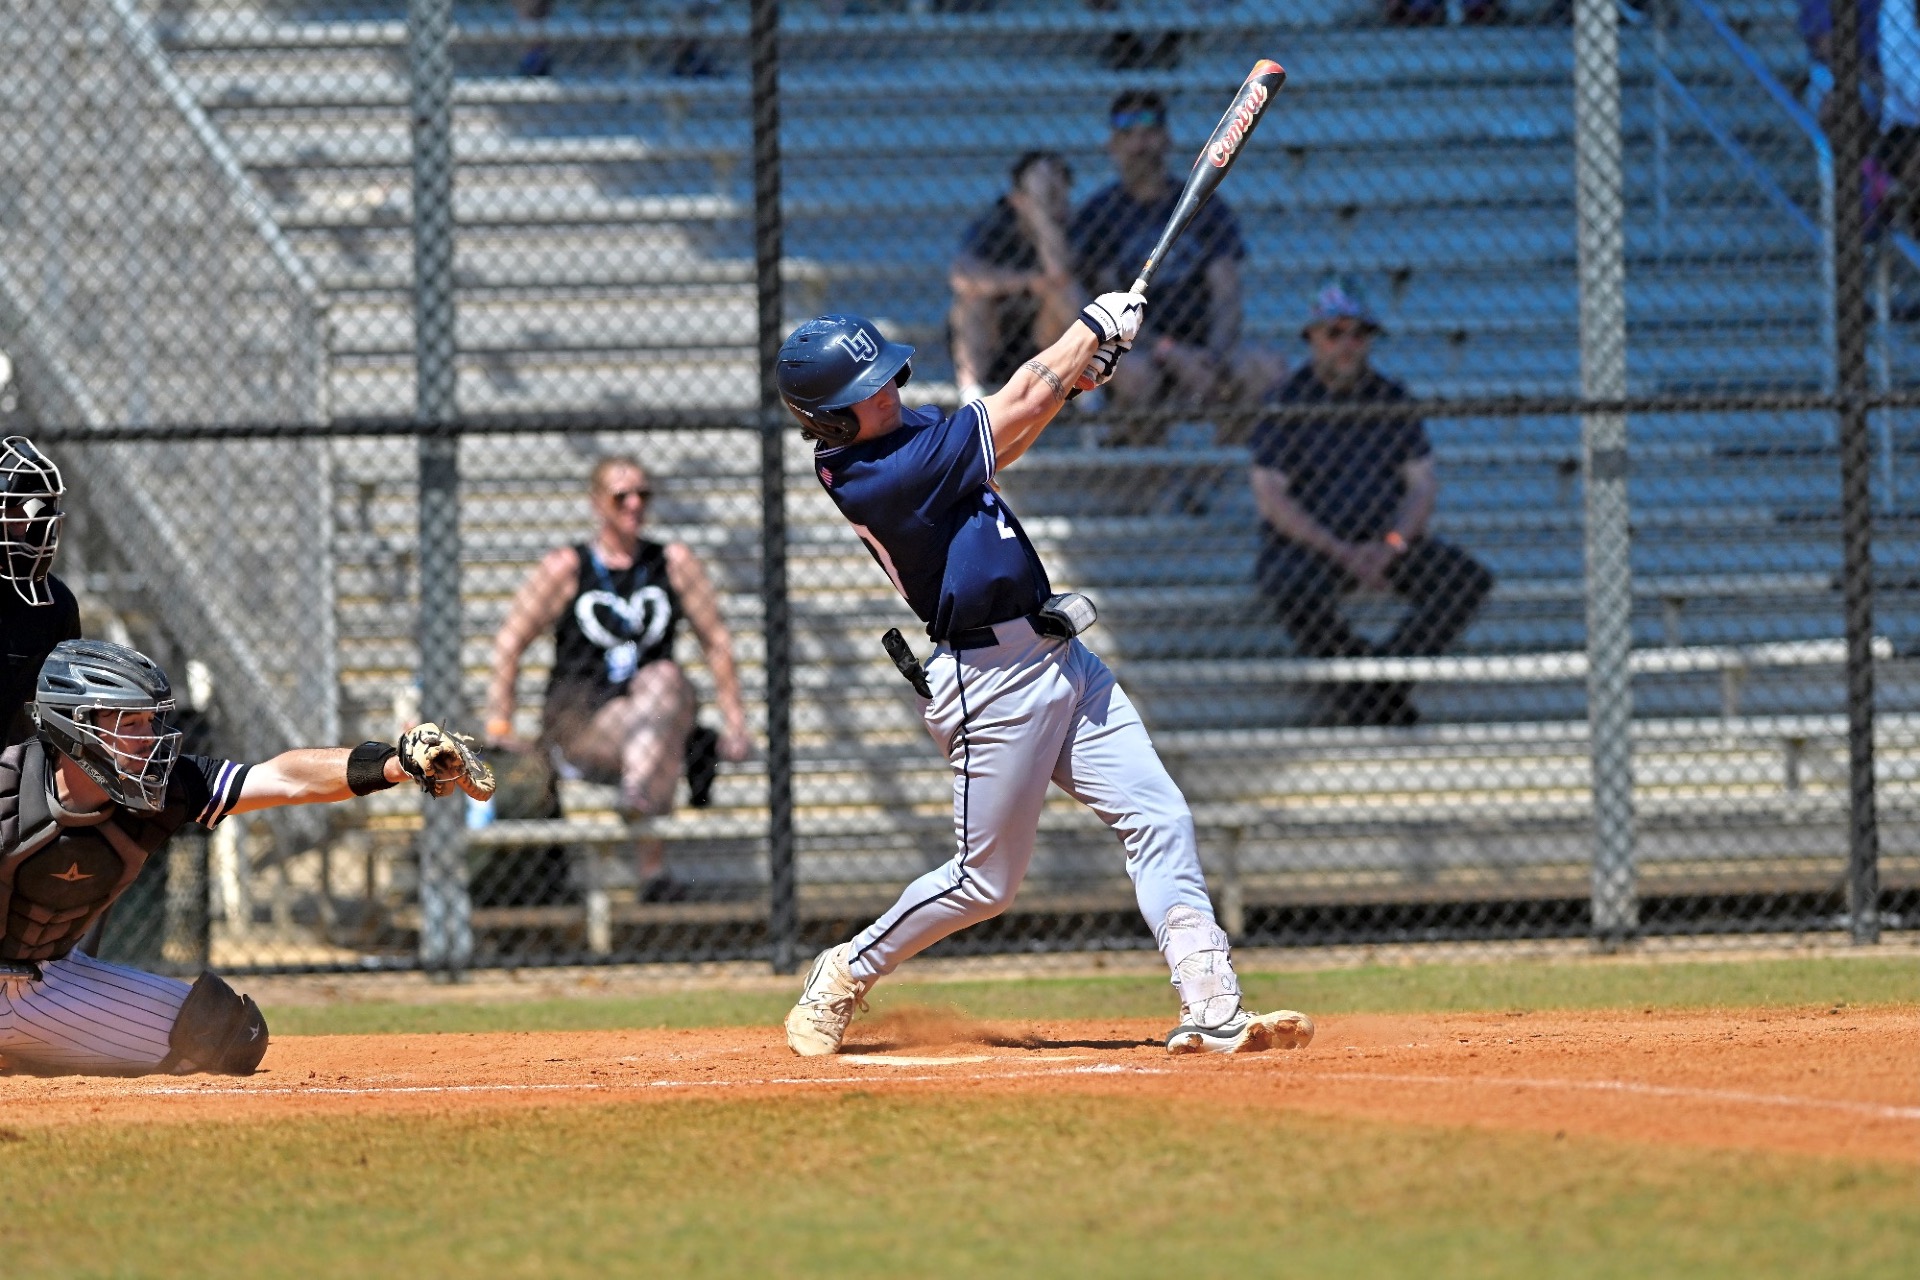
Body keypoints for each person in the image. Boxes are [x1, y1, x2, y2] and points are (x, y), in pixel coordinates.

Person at [773, 297, 1314, 1058]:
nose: (888, 388)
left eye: (885, 375)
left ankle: (1212, 1005)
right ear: (829, 418)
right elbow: (1016, 404)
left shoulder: (907, 433)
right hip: (989, 679)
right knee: (985, 883)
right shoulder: (872, 475)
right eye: (866, 389)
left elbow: (1013, 431)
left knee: (1159, 816)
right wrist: (1087, 330)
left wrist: (1072, 381)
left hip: (1062, 655)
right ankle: (844, 971)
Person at [0, 639, 491, 1075]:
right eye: (130, 723)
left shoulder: (167, 790)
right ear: (74, 727)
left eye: (152, 721)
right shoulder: (8, 790)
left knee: (225, 1036)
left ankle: (24, 1051)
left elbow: (284, 779)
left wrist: (395, 763)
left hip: (49, 980)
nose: (150, 739)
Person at [483, 455, 750, 900]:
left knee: (663, 678)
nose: (634, 504)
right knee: (660, 730)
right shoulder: (567, 567)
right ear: (597, 503)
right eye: (621, 496)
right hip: (586, 718)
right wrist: (499, 723)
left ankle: (639, 803)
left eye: (643, 494)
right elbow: (510, 640)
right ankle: (652, 869)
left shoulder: (674, 563)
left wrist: (736, 724)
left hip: (657, 707)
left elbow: (717, 640)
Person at [1250, 278, 1493, 727]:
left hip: (1387, 541)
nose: (1347, 345)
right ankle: (1376, 695)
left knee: (1466, 580)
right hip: (1315, 546)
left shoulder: (1391, 397)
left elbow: (1422, 484)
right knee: (1286, 585)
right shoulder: (1286, 401)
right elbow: (1271, 495)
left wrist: (1392, 545)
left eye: (1358, 334)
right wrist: (1341, 551)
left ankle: (1377, 689)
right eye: (1335, 333)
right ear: (1312, 338)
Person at [1070, 89, 1281, 443]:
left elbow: (1227, 292)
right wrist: (1169, 353)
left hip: (1203, 343)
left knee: (1266, 369)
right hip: (1135, 346)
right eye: (1129, 134)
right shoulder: (1100, 214)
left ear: (1167, 139)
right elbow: (1110, 304)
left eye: (1150, 132)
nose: (1141, 145)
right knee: (1139, 378)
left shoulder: (1201, 204)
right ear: (1113, 145)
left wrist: (1213, 357)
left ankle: (1220, 466)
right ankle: (1145, 469)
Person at [949, 150, 1085, 406]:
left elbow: (1058, 273)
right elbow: (961, 277)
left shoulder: (1076, 228)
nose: (1053, 203)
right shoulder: (996, 224)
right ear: (1017, 199)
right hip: (996, 338)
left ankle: (1087, 400)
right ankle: (971, 397)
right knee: (972, 299)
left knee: (1064, 291)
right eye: (1043, 195)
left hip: (1046, 343)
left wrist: (1042, 215)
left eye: (1057, 195)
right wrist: (1029, 282)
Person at [1, 435, 81, 745]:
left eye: (25, 508)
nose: (23, 523)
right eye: (9, 509)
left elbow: (64, 713)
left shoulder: (51, 604)